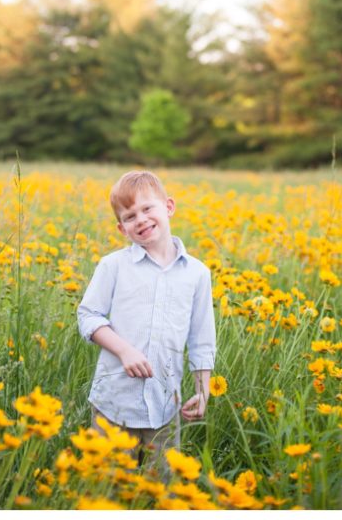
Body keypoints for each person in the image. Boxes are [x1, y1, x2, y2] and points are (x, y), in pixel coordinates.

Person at [78, 170, 216, 476]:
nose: (140, 219)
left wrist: (202, 390)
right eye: (129, 216)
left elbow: (201, 338)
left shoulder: (197, 273)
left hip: (166, 406)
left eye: (147, 209)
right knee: (107, 487)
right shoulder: (113, 266)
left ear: (168, 207)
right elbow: (88, 316)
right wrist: (124, 350)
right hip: (113, 403)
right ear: (121, 228)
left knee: (161, 491)